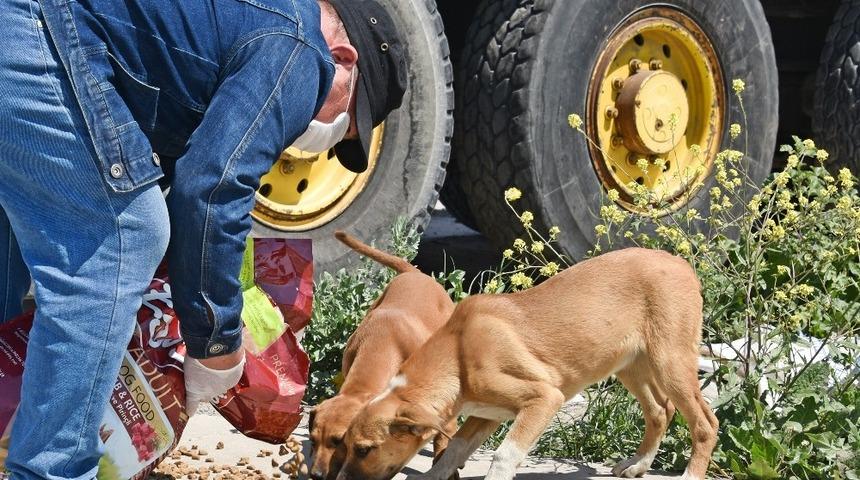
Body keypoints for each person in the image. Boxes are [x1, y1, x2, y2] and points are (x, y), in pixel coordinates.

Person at [0, 0, 406, 477]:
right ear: (343, 59)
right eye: (348, 119)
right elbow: (212, 189)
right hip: (34, 34)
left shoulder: (244, 23)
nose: (330, 136)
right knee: (123, 239)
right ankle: (53, 469)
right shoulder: (303, 51)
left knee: (18, 221)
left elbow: (171, 166)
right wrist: (215, 344)